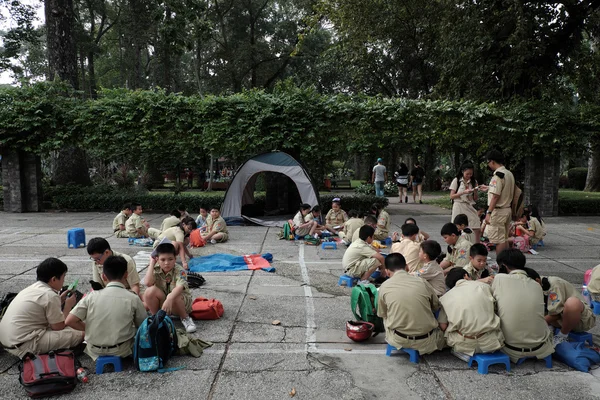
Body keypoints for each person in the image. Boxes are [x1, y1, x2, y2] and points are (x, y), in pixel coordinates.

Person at [66, 256, 147, 360]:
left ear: (104, 276)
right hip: (121, 350)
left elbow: (69, 321)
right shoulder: (132, 298)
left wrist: (89, 329)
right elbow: (143, 326)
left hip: (94, 350)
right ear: (126, 275)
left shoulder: (91, 296)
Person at [0, 258, 84, 358]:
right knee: (81, 333)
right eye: (63, 277)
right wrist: (68, 306)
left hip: (8, 341)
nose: (63, 281)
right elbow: (59, 327)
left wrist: (60, 300)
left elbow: (43, 308)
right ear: (53, 279)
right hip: (24, 345)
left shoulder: (33, 288)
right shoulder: (50, 295)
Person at [491, 249, 554, 362]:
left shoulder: (499, 279)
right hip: (540, 347)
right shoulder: (536, 284)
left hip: (510, 349)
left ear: (502, 266)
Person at [377, 253, 445, 355]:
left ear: (387, 272)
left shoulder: (384, 286)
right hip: (427, 341)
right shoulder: (422, 282)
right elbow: (436, 306)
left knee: (385, 314)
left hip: (399, 340)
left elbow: (382, 313)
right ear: (407, 267)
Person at [438, 268, 504, 356]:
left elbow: (443, 326)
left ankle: (464, 353)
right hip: (492, 343)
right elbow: (496, 309)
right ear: (465, 276)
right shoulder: (484, 286)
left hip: (462, 345)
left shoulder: (445, 298)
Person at [524, 268, 596, 346]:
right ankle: (549, 328)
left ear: (537, 281)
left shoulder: (554, 284)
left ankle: (562, 336)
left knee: (572, 303)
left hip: (579, 319)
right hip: (558, 320)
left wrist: (535, 325)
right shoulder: (531, 285)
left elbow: (556, 314)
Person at [144, 243, 196, 333]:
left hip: (180, 303)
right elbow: (148, 283)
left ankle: (185, 318)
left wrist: (169, 298)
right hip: (164, 303)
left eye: (170, 259)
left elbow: (179, 288)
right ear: (157, 259)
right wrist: (151, 264)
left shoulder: (180, 270)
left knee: (176, 295)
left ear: (175, 259)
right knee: (149, 292)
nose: (166, 263)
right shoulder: (155, 268)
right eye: (162, 260)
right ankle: (157, 318)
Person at [478, 150, 515, 255]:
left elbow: (495, 196)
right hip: (507, 210)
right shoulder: (508, 174)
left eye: (488, 162)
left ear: (492, 161)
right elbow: (503, 190)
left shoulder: (497, 176)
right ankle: (507, 264)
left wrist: (488, 213)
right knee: (504, 238)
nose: (488, 165)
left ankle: (501, 266)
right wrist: (489, 188)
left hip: (498, 212)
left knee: (499, 241)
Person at [449, 162, 480, 243]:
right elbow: (452, 196)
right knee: (457, 227)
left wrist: (476, 191)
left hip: (469, 205)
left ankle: (475, 246)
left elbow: (475, 198)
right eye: (467, 174)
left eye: (471, 174)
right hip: (458, 205)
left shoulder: (473, 181)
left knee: (476, 224)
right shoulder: (457, 180)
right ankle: (457, 245)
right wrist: (463, 192)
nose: (469, 175)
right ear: (463, 171)